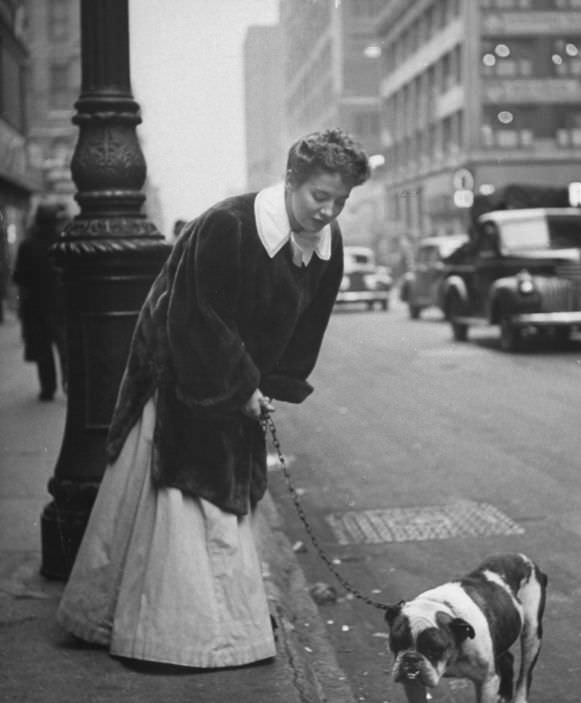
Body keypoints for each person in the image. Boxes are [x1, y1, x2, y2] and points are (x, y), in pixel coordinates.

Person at [57, 128, 371, 668]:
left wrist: (269, 385)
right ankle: (170, 636)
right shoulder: (228, 224)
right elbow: (197, 316)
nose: (329, 211)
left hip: (230, 372)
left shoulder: (327, 243)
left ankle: (226, 624)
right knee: (186, 486)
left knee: (227, 484)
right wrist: (242, 384)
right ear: (292, 181)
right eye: (321, 196)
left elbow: (306, 326)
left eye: (341, 201)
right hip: (179, 364)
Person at [12, 203, 67, 401]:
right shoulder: (62, 243)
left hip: (35, 305)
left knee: (43, 349)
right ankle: (69, 384)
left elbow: (19, 277)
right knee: (65, 347)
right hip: (60, 303)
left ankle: (48, 388)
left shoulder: (27, 245)